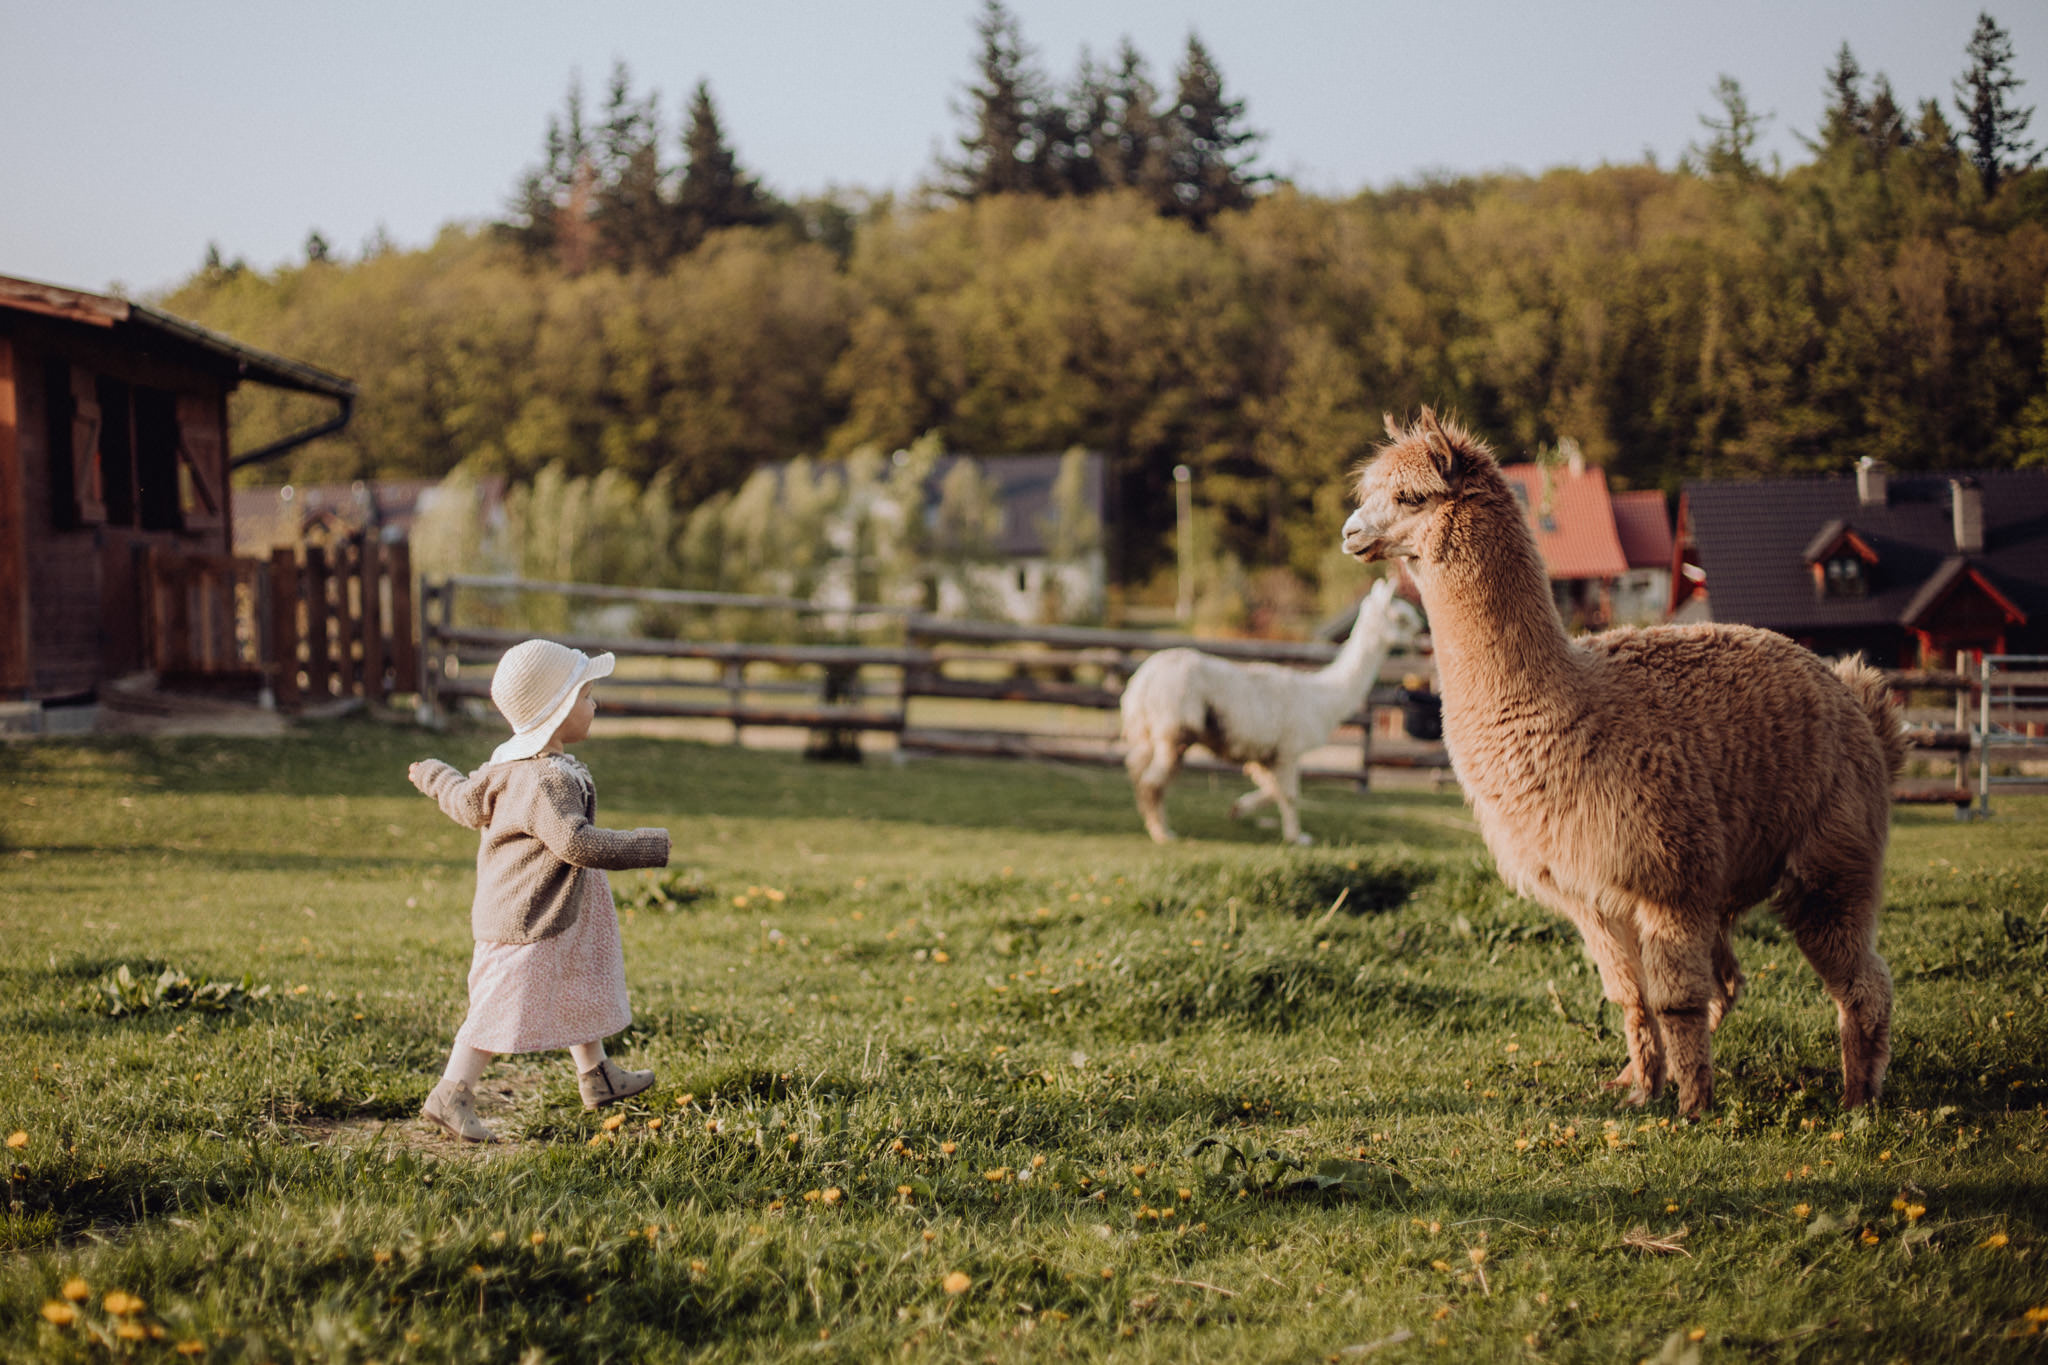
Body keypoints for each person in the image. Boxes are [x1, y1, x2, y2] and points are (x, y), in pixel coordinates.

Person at [407, 639, 672, 1142]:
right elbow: (577, 843)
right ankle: (451, 1091)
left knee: (578, 980)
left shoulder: (505, 767)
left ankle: (596, 1076)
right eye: (587, 694)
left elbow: (463, 801)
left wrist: (434, 774)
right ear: (557, 707)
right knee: (499, 1000)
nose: (595, 704)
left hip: (559, 908)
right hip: (528, 917)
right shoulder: (545, 779)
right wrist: (649, 845)